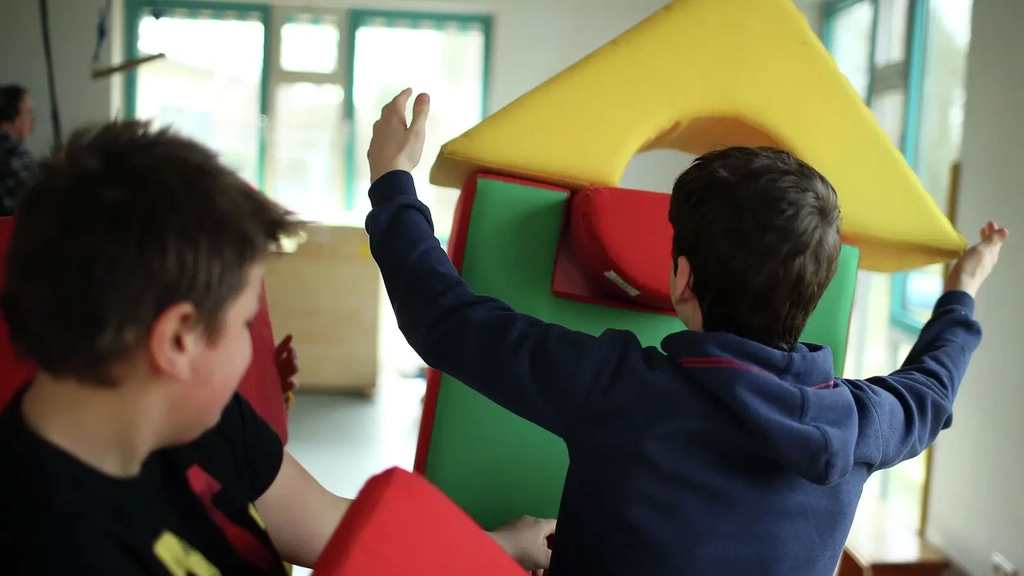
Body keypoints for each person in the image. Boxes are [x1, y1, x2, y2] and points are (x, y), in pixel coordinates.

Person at [363, 88, 1008, 575]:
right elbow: (933, 388)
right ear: (814, 293)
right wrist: (962, 292)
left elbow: (446, 319)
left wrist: (392, 182)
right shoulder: (862, 424)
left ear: (681, 279)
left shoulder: (617, 389)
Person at [0, 120, 556, 574]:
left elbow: (332, 528)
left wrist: (498, 546)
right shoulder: (50, 543)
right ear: (176, 340)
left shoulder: (201, 422)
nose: (253, 348)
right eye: (245, 324)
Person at [0, 84, 36, 216]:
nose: (32, 122)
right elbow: (38, 194)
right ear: (14, 118)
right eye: (29, 113)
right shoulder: (12, 150)